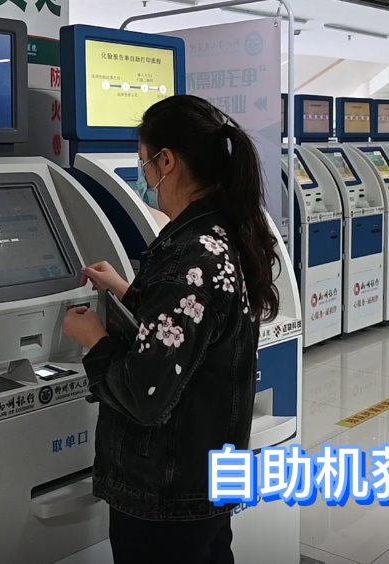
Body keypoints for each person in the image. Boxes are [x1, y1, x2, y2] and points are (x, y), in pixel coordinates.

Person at [61, 95, 280, 564]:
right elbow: (193, 328)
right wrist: (130, 293)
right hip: (207, 477)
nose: (144, 175)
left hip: (166, 490)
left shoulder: (189, 258)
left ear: (167, 161)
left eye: (144, 162)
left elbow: (144, 395)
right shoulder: (222, 232)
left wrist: (94, 339)